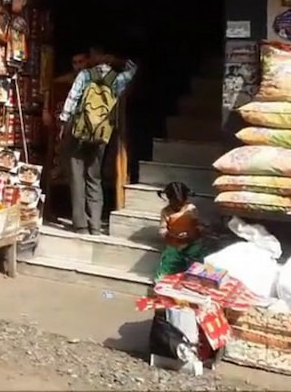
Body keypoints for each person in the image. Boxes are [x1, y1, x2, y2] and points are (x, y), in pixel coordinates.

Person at [58, 45, 136, 235]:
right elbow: (133, 68)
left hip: (79, 132)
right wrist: (117, 60)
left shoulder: (85, 75)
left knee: (77, 178)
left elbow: (72, 99)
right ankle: (95, 225)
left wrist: (63, 124)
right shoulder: (117, 79)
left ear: (94, 57)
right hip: (101, 135)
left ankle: (80, 224)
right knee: (95, 177)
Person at [155, 181, 205, 278]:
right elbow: (162, 230)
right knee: (167, 267)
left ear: (186, 199)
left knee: (197, 264)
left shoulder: (191, 209)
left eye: (181, 203)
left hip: (192, 242)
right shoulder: (166, 212)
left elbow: (199, 224)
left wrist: (197, 231)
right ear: (169, 199)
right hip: (174, 244)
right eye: (174, 203)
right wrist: (171, 235)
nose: (178, 206)